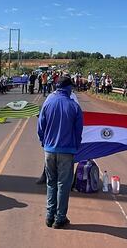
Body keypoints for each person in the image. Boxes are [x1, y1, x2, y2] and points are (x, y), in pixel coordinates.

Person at [38, 76, 83, 229]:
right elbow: (78, 131)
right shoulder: (74, 106)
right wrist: (76, 146)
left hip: (49, 150)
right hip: (67, 150)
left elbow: (40, 126)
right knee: (63, 184)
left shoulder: (48, 103)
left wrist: (44, 142)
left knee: (51, 183)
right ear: (69, 88)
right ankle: (60, 218)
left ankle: (49, 216)